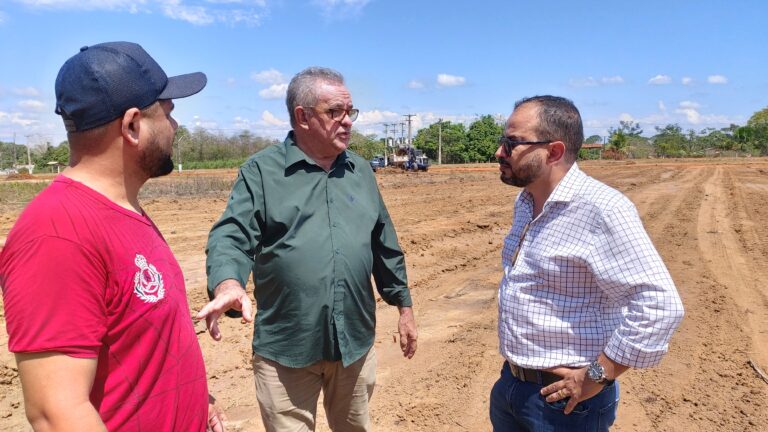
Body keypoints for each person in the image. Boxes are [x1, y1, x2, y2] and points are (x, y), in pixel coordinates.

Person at [0, 42, 224, 431]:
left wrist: (196, 400)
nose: (175, 127)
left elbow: (141, 345)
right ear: (133, 126)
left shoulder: (124, 209)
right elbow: (57, 414)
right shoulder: (56, 234)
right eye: (167, 114)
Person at [196, 66, 418, 432]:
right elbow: (232, 234)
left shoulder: (361, 171)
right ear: (302, 116)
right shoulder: (262, 172)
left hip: (354, 346)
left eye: (350, 112)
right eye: (335, 112)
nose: (347, 122)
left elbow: (384, 244)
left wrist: (404, 307)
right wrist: (228, 283)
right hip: (287, 349)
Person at [490, 95, 684, 431]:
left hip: (564, 404)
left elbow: (660, 304)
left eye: (512, 143)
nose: (499, 152)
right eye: (502, 142)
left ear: (554, 152)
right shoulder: (527, 202)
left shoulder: (602, 209)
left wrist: (600, 373)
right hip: (512, 385)